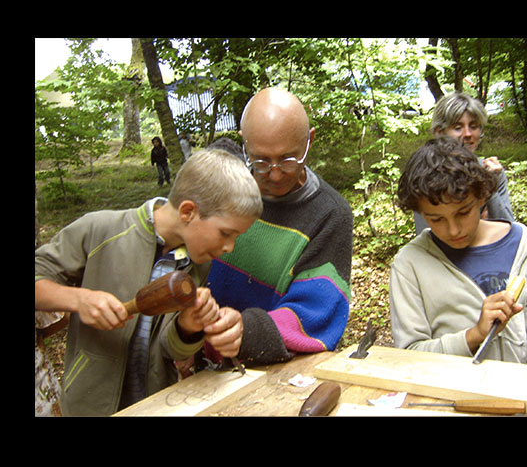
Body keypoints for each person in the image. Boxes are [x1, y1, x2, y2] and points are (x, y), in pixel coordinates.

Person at [35, 149, 263, 416]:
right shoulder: (100, 230)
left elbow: (171, 349)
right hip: (90, 407)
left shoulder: (196, 262)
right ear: (188, 211)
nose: (230, 247)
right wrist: (78, 299)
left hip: (155, 406)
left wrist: (189, 327)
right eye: (226, 233)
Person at [201, 87, 353, 369]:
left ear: (309, 141)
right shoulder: (220, 191)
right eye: (260, 161)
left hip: (272, 372)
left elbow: (315, 313)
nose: (274, 173)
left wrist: (245, 332)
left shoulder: (330, 214)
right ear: (244, 143)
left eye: (287, 159)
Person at [389, 137, 527, 367]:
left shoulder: (521, 243)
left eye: (463, 212)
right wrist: (474, 335)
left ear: (482, 196)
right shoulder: (409, 265)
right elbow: (410, 354)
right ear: (420, 213)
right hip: (448, 396)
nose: (453, 230)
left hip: (519, 393)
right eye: (436, 219)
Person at [414, 92, 514, 233]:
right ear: (439, 132)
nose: (468, 134)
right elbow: (426, 236)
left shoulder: (490, 170)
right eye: (458, 127)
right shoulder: (426, 175)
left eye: (473, 126)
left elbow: (509, 231)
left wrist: (490, 187)